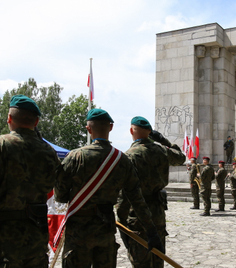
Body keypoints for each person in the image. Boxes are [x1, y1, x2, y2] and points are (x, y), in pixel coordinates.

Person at [55, 109, 163, 268]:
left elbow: (61, 197)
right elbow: (137, 199)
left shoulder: (74, 157)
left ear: (88, 129)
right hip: (105, 229)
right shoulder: (122, 160)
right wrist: (151, 232)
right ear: (111, 128)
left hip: (78, 231)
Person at [0, 95, 61, 267]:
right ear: (37, 121)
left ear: (9, 118)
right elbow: (56, 192)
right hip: (36, 244)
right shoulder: (49, 152)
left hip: (4, 246)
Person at [117, 116, 185, 268]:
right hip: (157, 213)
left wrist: (121, 222)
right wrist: (164, 141)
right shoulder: (162, 150)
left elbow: (124, 194)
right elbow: (181, 158)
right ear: (150, 132)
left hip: (137, 216)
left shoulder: (129, 156)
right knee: (157, 258)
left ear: (131, 131)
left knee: (140, 261)